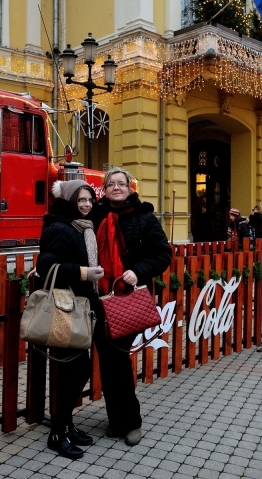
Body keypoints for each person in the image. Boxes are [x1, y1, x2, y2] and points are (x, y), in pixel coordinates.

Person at [94, 167, 172, 447]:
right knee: (107, 361)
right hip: (98, 298)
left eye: (121, 184)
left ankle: (131, 422)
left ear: (130, 187)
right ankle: (116, 420)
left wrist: (137, 271)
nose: (116, 188)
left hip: (126, 297)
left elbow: (163, 254)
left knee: (118, 360)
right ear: (104, 189)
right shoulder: (95, 215)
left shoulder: (144, 217)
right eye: (111, 184)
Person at [36, 180, 105, 459]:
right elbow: (46, 265)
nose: (87, 205)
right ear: (68, 201)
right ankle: (57, 433)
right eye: (81, 200)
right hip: (65, 308)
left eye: (89, 199)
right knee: (74, 371)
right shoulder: (59, 227)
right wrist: (83, 273)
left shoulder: (82, 226)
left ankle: (67, 425)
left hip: (80, 306)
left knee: (76, 370)